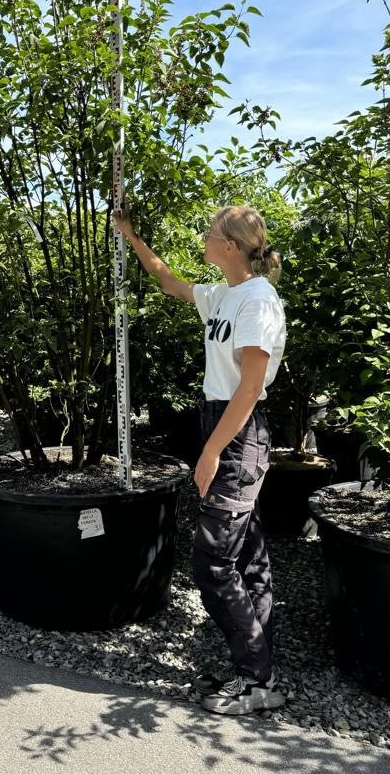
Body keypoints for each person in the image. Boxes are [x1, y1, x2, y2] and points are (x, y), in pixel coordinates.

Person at [114, 202, 287, 716]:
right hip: (220, 422)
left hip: (237, 432)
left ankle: (257, 679)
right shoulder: (223, 295)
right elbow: (171, 283)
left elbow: (251, 387)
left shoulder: (258, 300)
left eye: (211, 233)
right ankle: (259, 673)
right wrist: (131, 237)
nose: (204, 238)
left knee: (212, 561)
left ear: (230, 247)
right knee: (247, 555)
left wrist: (211, 452)